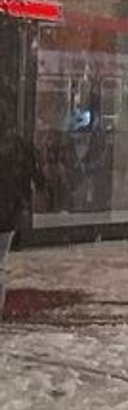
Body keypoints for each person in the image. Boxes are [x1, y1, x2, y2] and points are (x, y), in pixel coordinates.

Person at [1, 128, 48, 319]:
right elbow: (33, 171)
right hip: (9, 211)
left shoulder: (16, 146)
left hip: (9, 208)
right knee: (1, 260)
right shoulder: (18, 144)